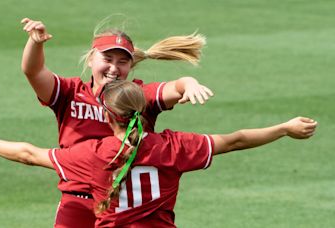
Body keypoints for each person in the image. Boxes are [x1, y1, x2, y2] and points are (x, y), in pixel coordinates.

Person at [0, 80, 317, 228]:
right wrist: (284, 128)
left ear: (106, 116)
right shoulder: (173, 146)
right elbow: (236, 139)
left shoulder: (92, 154)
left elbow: (29, 154)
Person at [20, 17, 213, 227]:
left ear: (131, 65)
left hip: (124, 207)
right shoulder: (71, 93)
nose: (114, 68)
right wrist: (35, 43)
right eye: (108, 59)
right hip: (77, 202)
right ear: (90, 59)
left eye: (122, 62)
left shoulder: (136, 96)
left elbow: (176, 87)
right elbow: (34, 71)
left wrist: (189, 83)